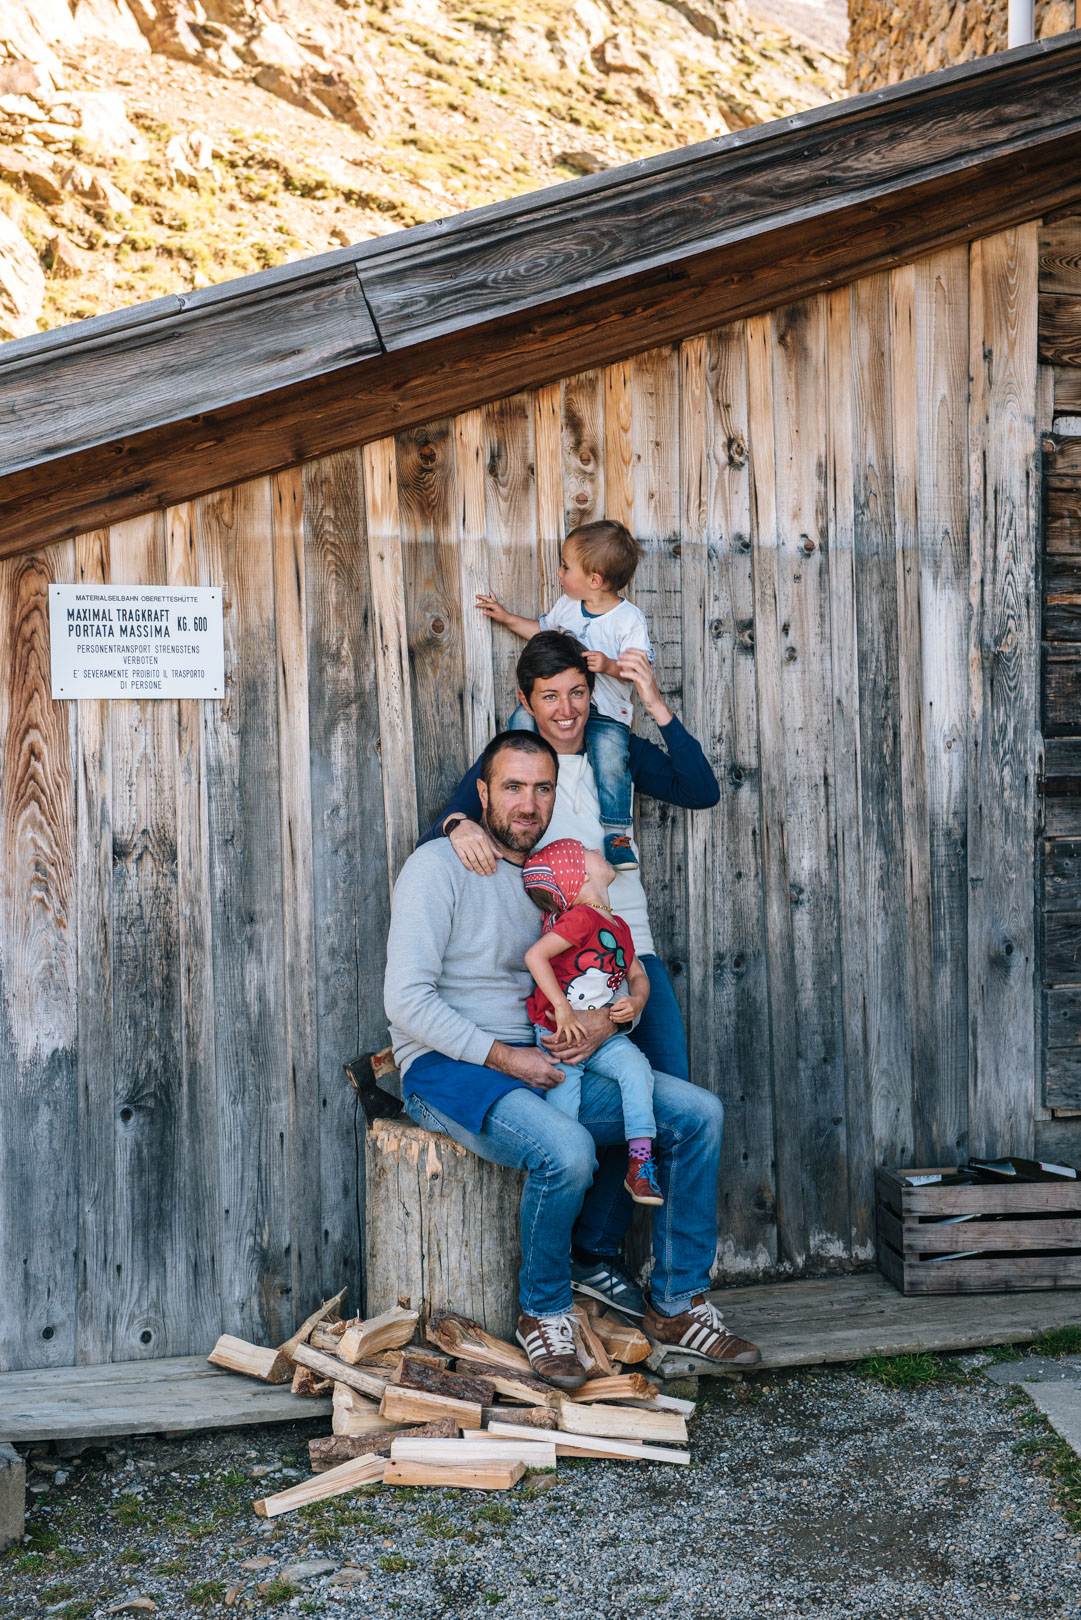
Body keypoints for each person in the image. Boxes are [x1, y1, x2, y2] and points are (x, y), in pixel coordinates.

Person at [386, 729, 761, 1389]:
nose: (527, 803)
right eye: (511, 787)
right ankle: (545, 1310)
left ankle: (677, 1302)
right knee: (565, 1150)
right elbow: (406, 1002)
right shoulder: (438, 866)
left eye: (541, 788)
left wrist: (596, 1023)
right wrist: (505, 1058)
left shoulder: (559, 881)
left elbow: (598, 975)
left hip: (544, 1057)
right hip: (450, 1069)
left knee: (697, 1114)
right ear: (481, 793)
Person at [476, 520, 652, 871]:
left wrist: (609, 665)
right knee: (519, 725)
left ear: (595, 580)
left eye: (566, 566)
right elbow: (542, 631)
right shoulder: (570, 604)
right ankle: (507, 800)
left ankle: (617, 834)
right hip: (569, 709)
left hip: (605, 714)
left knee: (613, 763)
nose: (559, 572)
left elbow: (638, 669)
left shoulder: (628, 620)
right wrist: (507, 618)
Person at [522, 837, 662, 1207]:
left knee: (637, 1068)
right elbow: (536, 956)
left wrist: (637, 1000)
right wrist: (562, 1008)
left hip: (601, 1037)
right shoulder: (580, 919)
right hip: (561, 1033)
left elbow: (639, 975)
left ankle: (640, 1163)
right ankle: (567, 1179)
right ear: (578, 875)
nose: (599, 851)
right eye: (589, 852)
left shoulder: (619, 927)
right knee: (564, 1114)